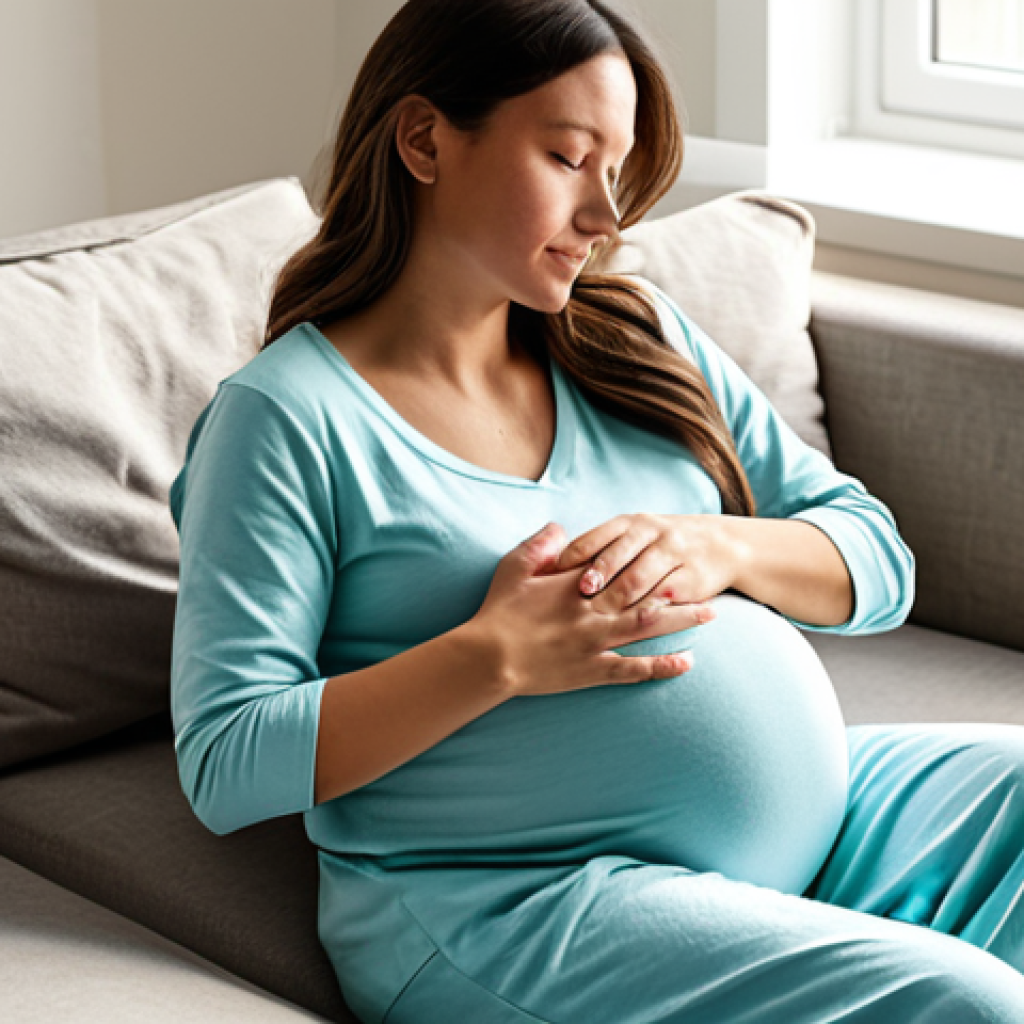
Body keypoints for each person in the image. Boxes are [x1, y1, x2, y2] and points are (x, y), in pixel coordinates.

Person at [168, 1, 1024, 1021]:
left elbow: (875, 562)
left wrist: (715, 544)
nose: (607, 216)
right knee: (966, 1002)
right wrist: (495, 654)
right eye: (570, 159)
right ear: (424, 141)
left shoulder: (630, 334)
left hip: (817, 826)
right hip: (518, 902)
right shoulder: (287, 418)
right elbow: (226, 759)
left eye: (616, 170)